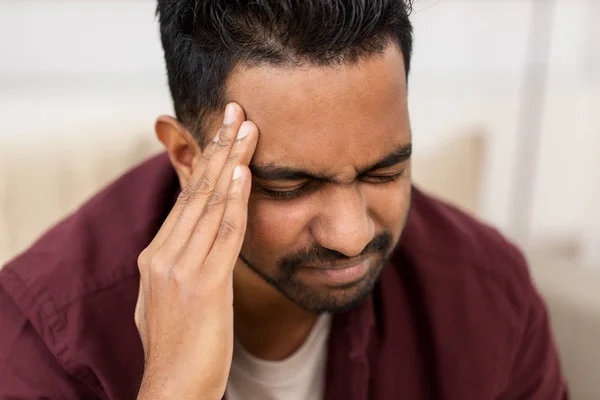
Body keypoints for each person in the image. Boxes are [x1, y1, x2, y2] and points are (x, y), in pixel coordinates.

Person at [0, 1, 568, 399]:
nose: (350, 234)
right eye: (289, 187)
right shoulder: (49, 337)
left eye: (384, 172)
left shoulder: (489, 294)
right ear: (188, 158)